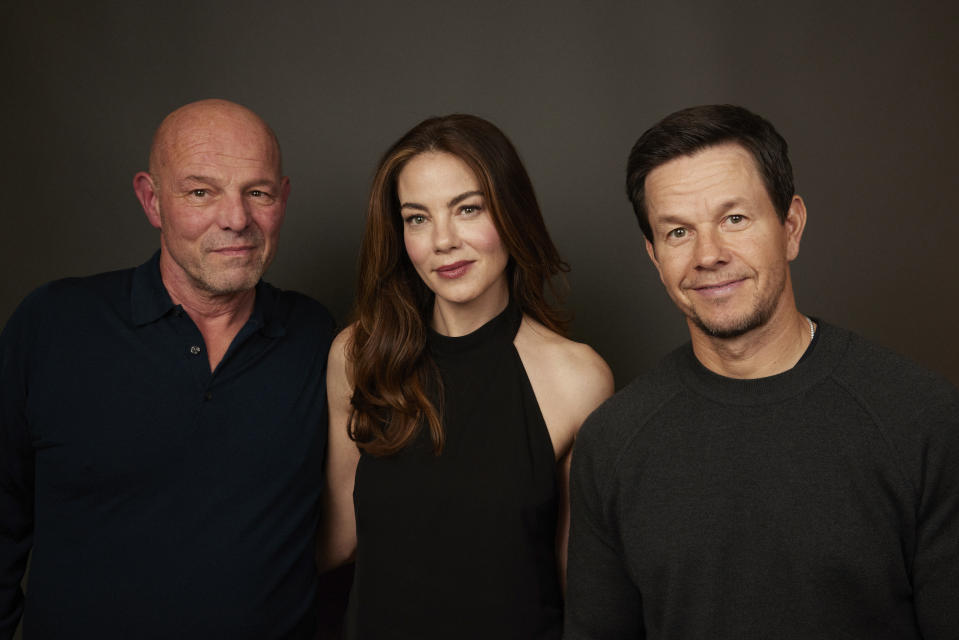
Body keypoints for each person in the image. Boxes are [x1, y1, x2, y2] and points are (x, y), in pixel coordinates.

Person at [564, 104, 959, 639]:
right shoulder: (612, 443)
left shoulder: (921, 419)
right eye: (678, 231)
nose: (709, 255)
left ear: (790, 226)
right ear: (655, 258)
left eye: (734, 219)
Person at [0, 99, 335, 639]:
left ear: (283, 199)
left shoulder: (320, 341)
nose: (236, 218)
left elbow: (350, 528)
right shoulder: (54, 326)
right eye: (201, 192)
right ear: (152, 200)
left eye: (258, 192)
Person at [318, 114, 614, 638]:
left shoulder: (579, 378)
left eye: (468, 209)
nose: (443, 242)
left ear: (511, 211)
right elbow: (340, 538)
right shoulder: (358, 355)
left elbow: (582, 591)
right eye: (417, 218)